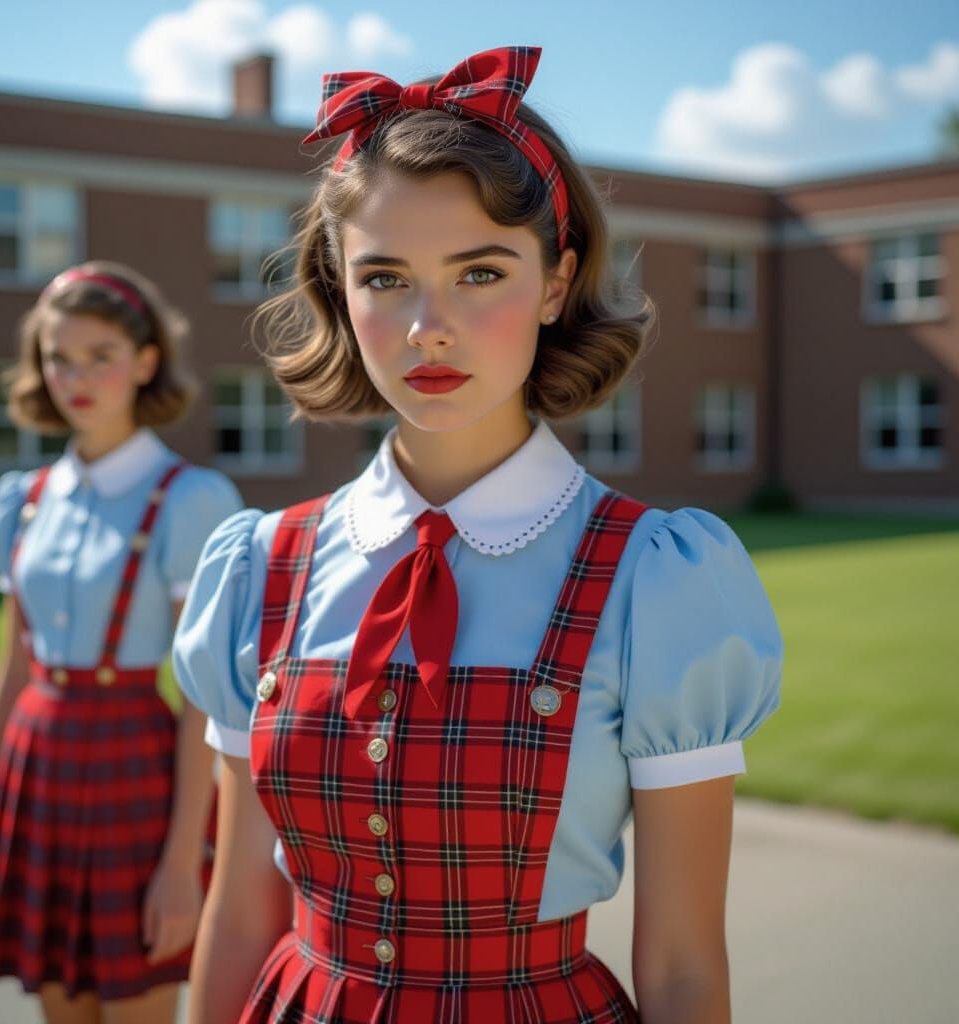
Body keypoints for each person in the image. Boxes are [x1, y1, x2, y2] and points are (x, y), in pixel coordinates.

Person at [173, 46, 783, 1024]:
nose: (428, 327)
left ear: (555, 281)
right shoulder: (259, 568)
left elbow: (678, 964)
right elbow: (242, 908)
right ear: (339, 289)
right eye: (386, 278)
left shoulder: (655, 580)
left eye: (480, 271)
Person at [0, 260, 243, 1023]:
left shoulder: (190, 499)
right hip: (36, 766)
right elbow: (14, 670)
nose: (75, 378)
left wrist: (181, 863)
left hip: (134, 770)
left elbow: (199, 699)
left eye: (100, 357)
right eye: (58, 358)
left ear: (145, 362)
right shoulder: (23, 499)